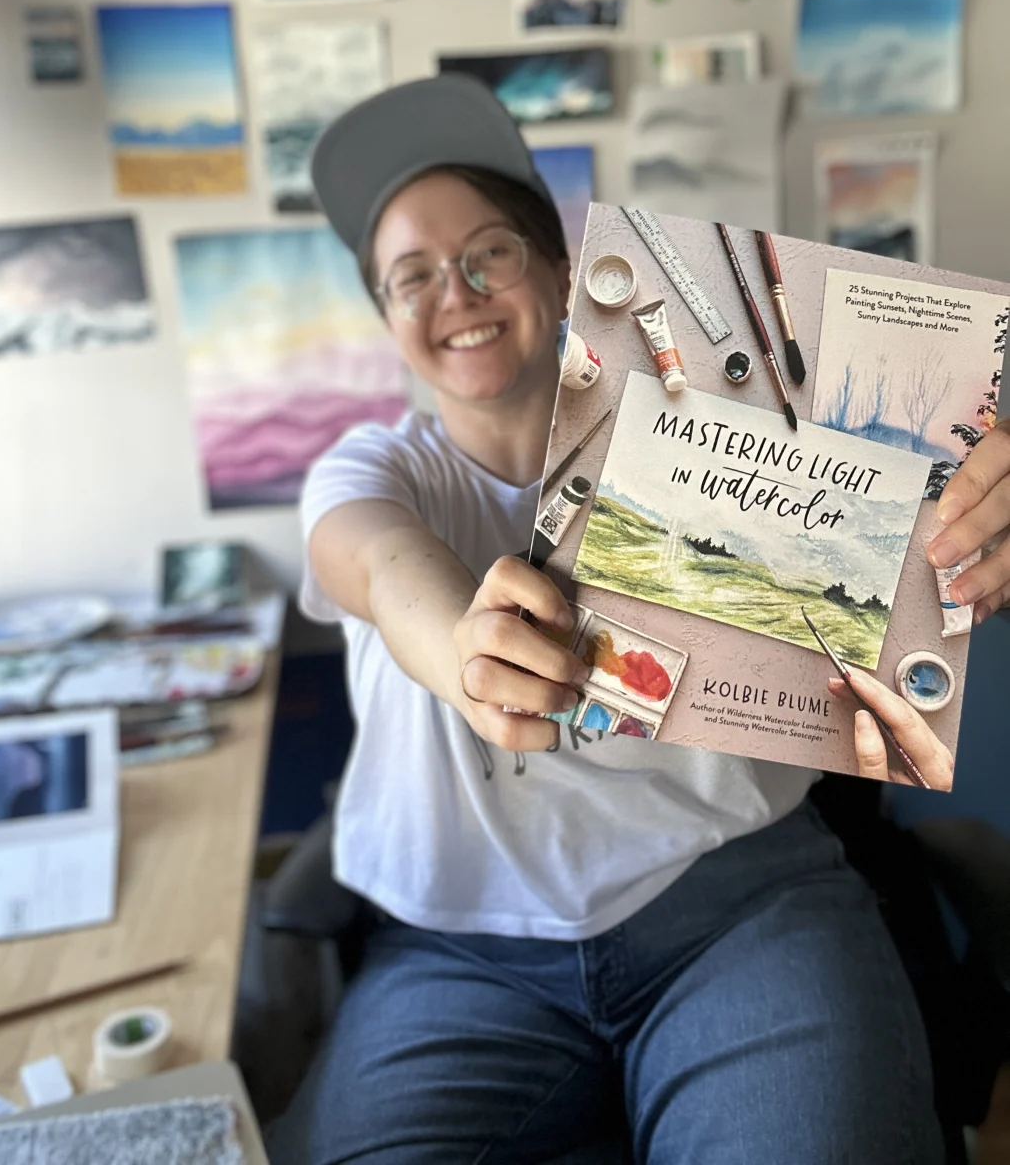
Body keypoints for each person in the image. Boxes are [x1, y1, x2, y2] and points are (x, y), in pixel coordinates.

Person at [267, 75, 1010, 1165]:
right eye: (412, 275)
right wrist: (466, 652)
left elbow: (908, 511)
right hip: (462, 948)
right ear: (388, 315)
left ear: (562, 269)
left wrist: (970, 509)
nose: (457, 291)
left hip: (740, 901)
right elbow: (380, 565)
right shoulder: (372, 469)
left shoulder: (722, 431)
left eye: (491, 253)